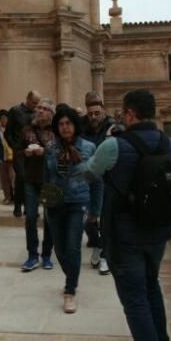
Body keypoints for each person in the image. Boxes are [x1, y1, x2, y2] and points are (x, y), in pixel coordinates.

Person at [84, 89, 171, 341]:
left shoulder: (115, 144)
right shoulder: (170, 144)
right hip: (159, 230)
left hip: (125, 232)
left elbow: (91, 172)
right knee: (152, 286)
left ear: (129, 114)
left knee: (134, 297)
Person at [44, 105, 101, 313]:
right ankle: (72, 276)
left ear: (75, 126)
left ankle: (70, 290)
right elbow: (47, 177)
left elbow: (96, 181)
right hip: (56, 202)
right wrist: (46, 203)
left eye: (68, 123)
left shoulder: (88, 148)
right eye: (61, 124)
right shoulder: (51, 148)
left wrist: (96, 209)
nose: (65, 127)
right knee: (59, 249)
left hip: (79, 201)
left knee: (73, 246)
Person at [18, 98, 55, 272]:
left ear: (51, 113)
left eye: (45, 108)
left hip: (50, 180)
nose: (40, 110)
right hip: (31, 179)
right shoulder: (27, 130)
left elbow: (61, 152)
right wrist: (24, 152)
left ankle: (47, 254)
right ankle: (32, 255)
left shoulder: (56, 131)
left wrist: (45, 152)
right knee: (31, 217)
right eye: (38, 107)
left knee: (50, 219)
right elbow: (18, 150)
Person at [81, 92, 116, 275]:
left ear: (103, 112)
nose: (93, 117)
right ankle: (96, 244)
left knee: (106, 220)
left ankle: (104, 255)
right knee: (88, 219)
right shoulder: (82, 126)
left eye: (97, 113)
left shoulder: (112, 127)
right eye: (90, 114)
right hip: (88, 177)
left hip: (107, 179)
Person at [5, 90, 41, 218]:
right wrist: (14, 146)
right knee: (21, 177)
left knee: (33, 178)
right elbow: (7, 132)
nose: (35, 105)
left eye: (37, 103)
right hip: (20, 151)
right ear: (27, 99)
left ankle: (31, 206)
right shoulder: (15, 111)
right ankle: (17, 205)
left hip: (34, 150)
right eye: (33, 102)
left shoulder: (37, 113)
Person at [0, 109, 14, 204]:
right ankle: (7, 196)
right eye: (2, 118)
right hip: (2, 156)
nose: (4, 120)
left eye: (5, 118)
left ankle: (15, 197)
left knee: (13, 178)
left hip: (12, 157)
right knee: (4, 179)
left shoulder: (12, 129)